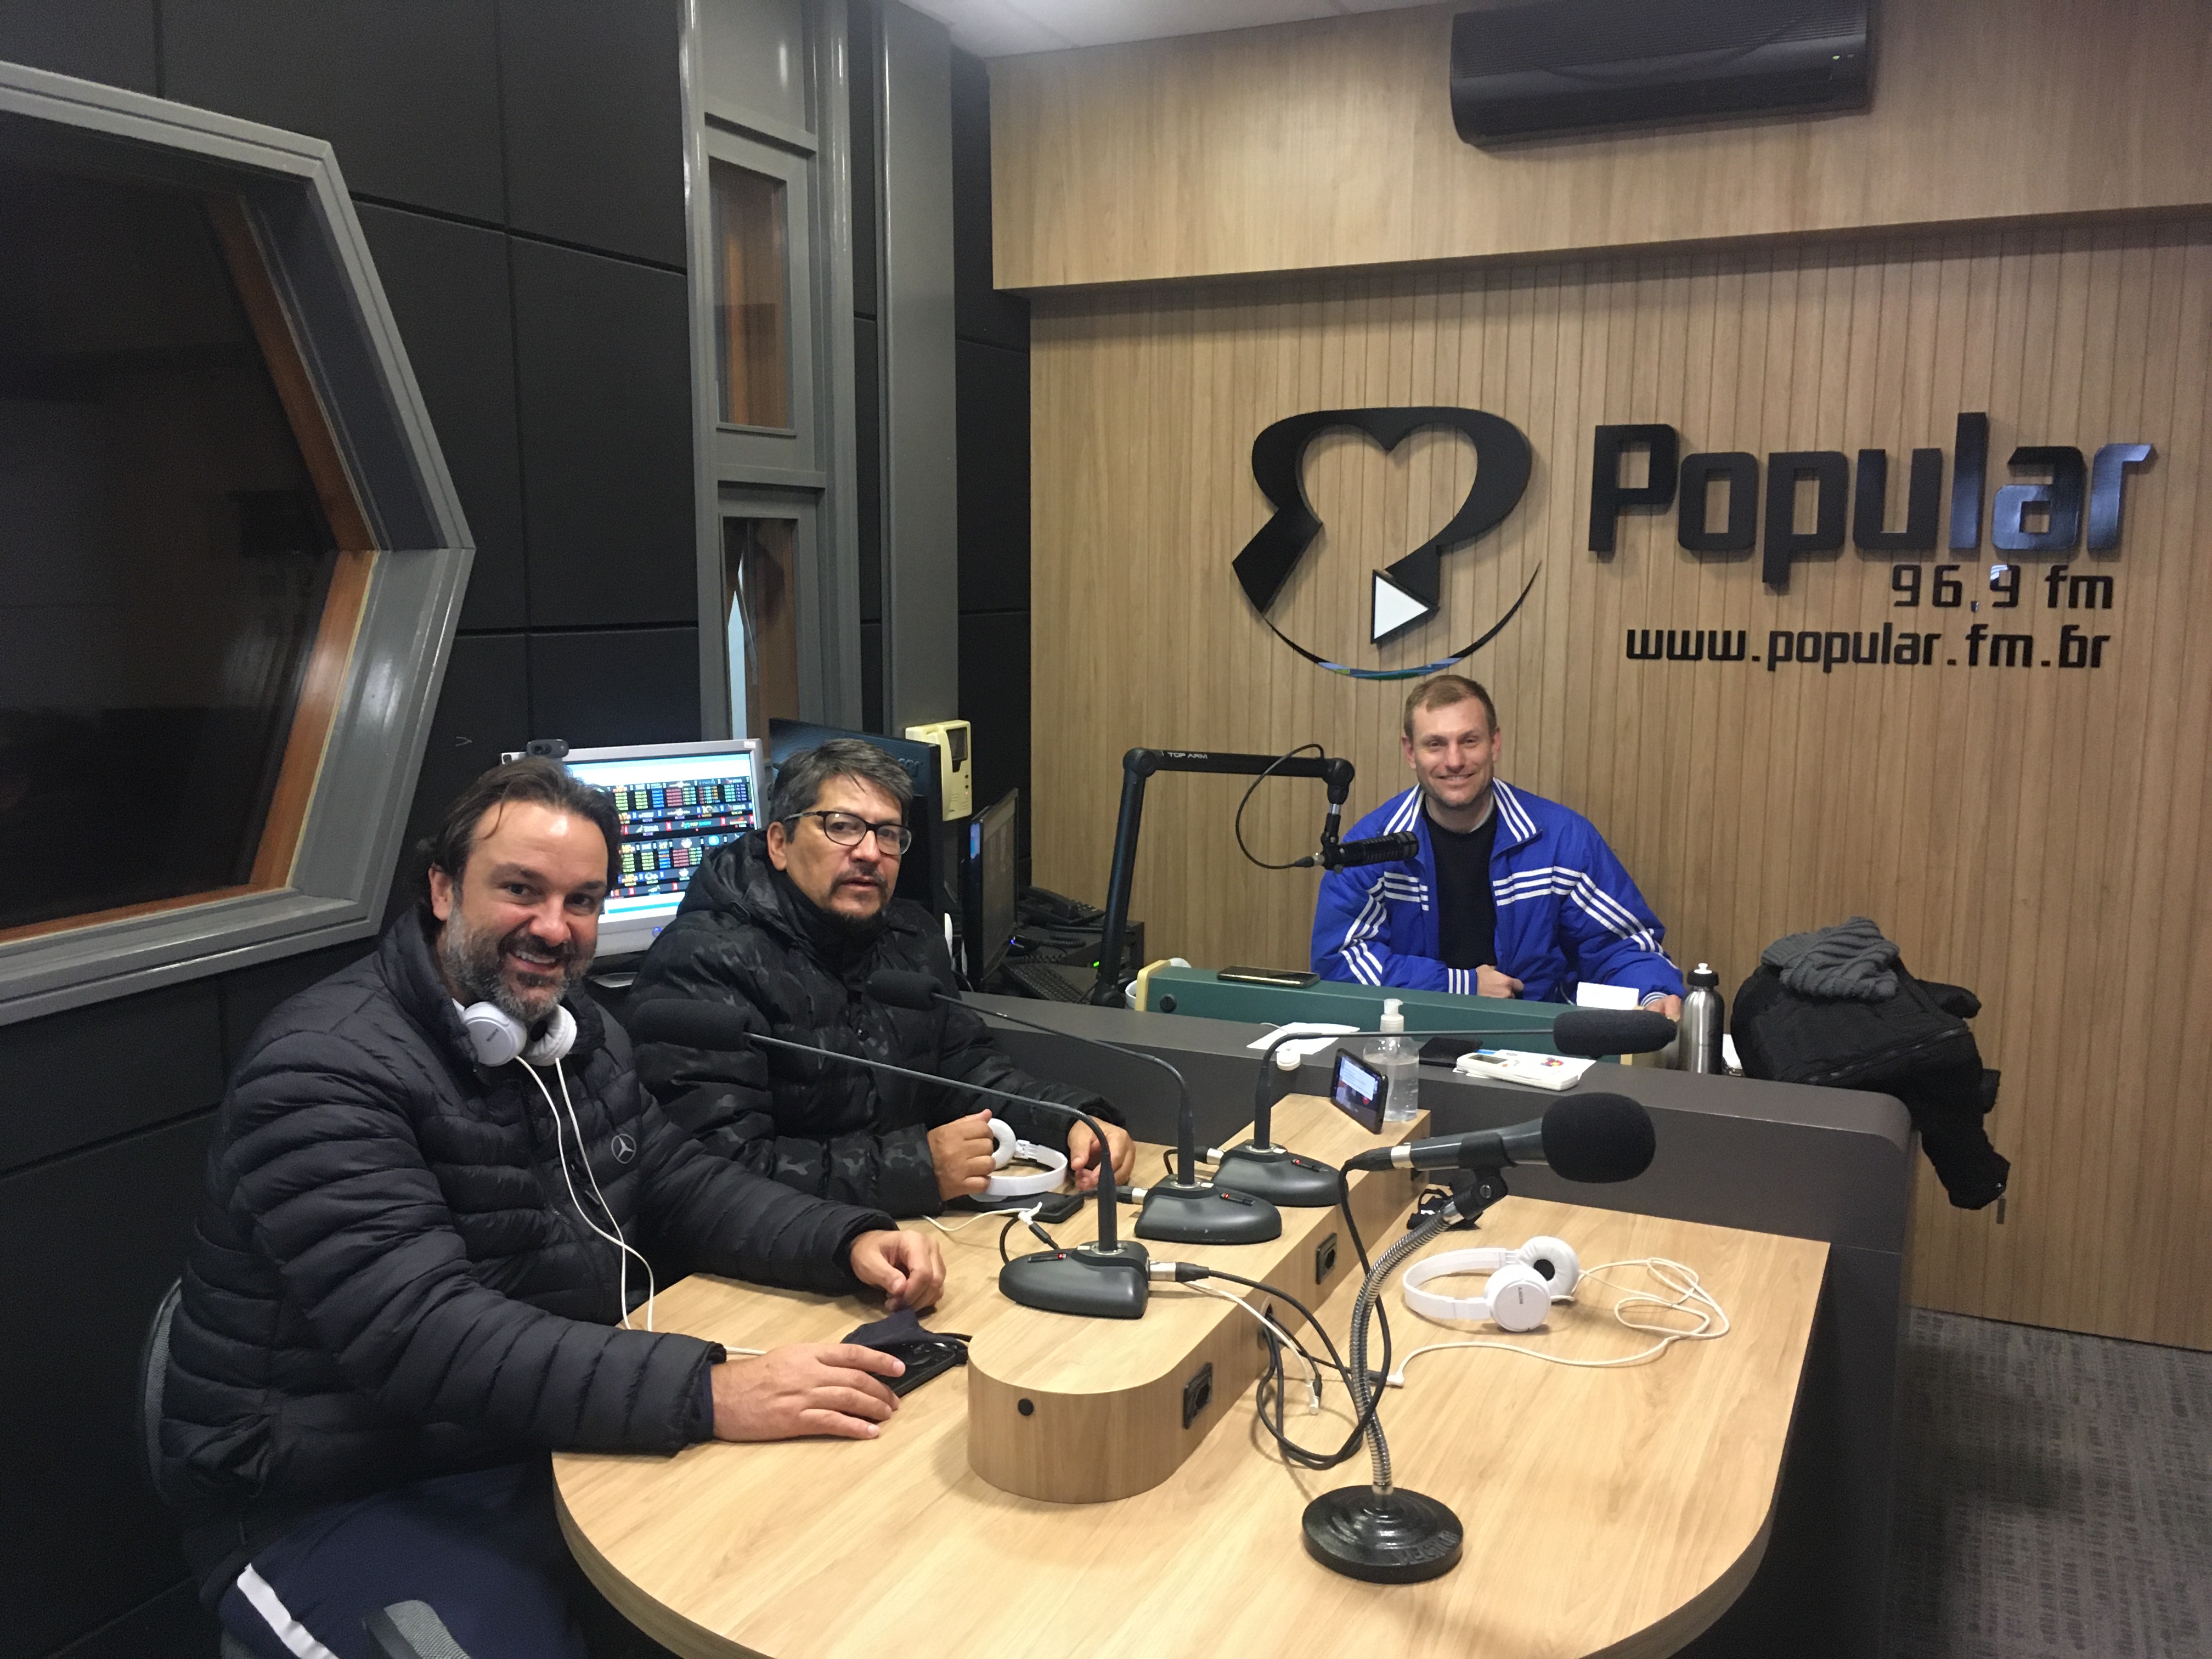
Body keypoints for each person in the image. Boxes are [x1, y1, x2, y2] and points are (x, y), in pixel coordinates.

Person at [160, 758, 944, 1659]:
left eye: (582, 901)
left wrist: (842, 1239)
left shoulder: (573, 1036)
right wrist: (709, 1389)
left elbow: (681, 1179)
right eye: (521, 890)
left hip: (529, 1438)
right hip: (332, 1492)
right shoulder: (323, 1069)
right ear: (443, 889)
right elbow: (421, 1332)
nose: (553, 927)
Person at [630, 738, 1134, 1214]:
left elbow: (964, 1072)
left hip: (894, 1228)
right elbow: (718, 1173)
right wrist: (917, 1169)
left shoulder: (906, 935)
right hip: (775, 1252)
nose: (870, 853)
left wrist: (1071, 1120)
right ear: (780, 843)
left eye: (888, 834)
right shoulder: (702, 961)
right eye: (842, 826)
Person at [1312, 675, 1685, 1017]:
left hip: (1534, 1043)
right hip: (1409, 1038)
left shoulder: (1561, 839)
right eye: (1436, 745)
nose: (1454, 761)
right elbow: (1339, 960)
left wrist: (1652, 994)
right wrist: (1460, 987)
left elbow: (1620, 945)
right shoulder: (1371, 847)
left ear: (1495, 744)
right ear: (1411, 752)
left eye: (1469, 741)